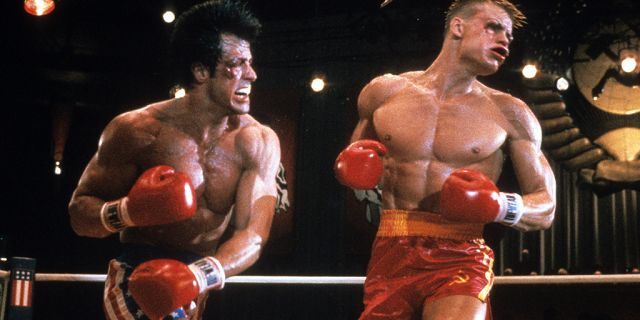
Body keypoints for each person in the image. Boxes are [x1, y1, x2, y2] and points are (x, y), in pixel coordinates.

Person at [334, 1, 556, 319]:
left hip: (461, 256)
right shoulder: (383, 93)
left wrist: (497, 205)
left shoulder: (510, 113)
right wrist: (351, 171)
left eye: (509, 34)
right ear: (457, 27)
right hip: (390, 251)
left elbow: (546, 206)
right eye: (493, 27)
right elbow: (358, 168)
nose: (505, 40)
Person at [67, 1, 283, 319]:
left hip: (199, 279)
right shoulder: (138, 130)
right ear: (200, 71)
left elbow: (252, 235)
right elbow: (79, 215)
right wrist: (127, 211)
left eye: (250, 62)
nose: (251, 74)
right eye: (237, 63)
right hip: (136, 273)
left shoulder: (258, 141)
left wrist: (197, 277)